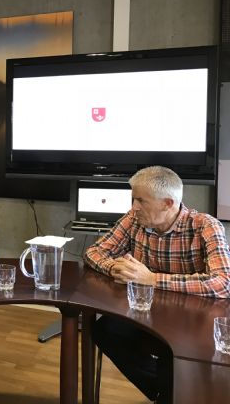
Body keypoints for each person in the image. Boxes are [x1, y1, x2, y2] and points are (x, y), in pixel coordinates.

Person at [84, 166, 230, 403]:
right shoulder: (135, 220)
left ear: (167, 203)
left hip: (192, 321)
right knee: (105, 331)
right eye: (133, 199)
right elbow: (95, 251)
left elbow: (223, 283)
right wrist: (114, 268)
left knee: (173, 352)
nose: (134, 208)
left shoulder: (205, 225)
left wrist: (151, 278)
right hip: (147, 313)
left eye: (141, 200)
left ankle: (170, 391)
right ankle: (163, 392)